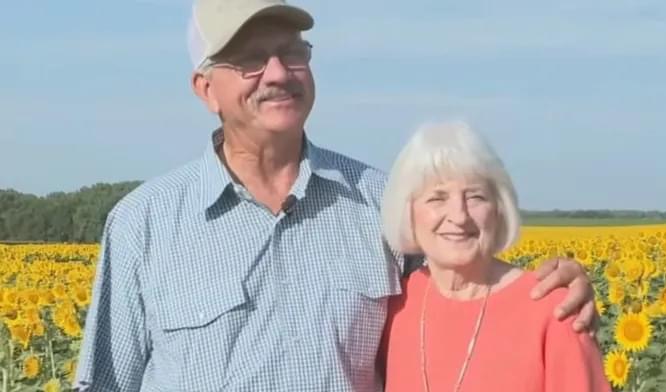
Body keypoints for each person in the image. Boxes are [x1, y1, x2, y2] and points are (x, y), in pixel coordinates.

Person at [73, 1, 599, 391]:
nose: (278, 73)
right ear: (205, 89)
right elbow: (103, 383)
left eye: (292, 53)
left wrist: (553, 291)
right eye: (251, 60)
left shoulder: (382, 204)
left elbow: (463, 296)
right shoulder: (145, 224)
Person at [378, 121, 610, 392]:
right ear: (409, 212)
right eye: (437, 199)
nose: (459, 216)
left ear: (499, 208)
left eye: (475, 197)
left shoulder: (555, 310)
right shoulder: (395, 304)